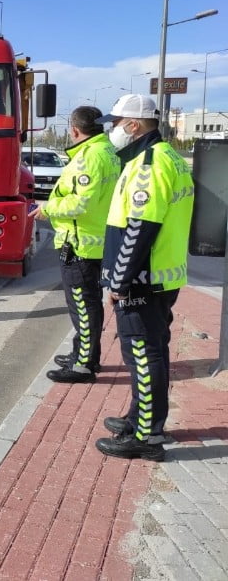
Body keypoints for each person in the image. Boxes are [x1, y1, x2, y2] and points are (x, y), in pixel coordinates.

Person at [93, 95, 194, 461]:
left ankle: (147, 436)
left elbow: (139, 229)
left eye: (116, 123)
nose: (111, 130)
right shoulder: (168, 157)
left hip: (142, 280)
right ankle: (141, 418)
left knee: (142, 354)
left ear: (134, 125)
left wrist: (118, 281)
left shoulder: (148, 166)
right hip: (160, 277)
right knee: (153, 351)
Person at [31, 106, 120, 384]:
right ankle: (84, 354)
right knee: (88, 303)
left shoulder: (89, 158)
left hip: (80, 243)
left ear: (74, 129)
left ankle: (83, 364)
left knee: (83, 305)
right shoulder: (107, 151)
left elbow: (80, 203)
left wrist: (48, 208)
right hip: (95, 239)